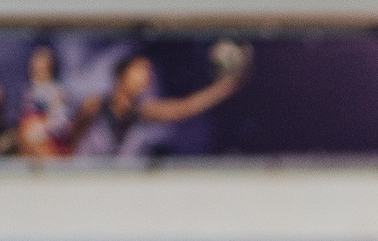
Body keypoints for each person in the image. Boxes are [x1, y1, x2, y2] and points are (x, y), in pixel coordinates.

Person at [70, 44, 250, 160]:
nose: (145, 77)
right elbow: (69, 141)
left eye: (148, 72)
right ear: (122, 74)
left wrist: (225, 87)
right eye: (139, 70)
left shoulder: (142, 111)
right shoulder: (94, 106)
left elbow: (184, 107)